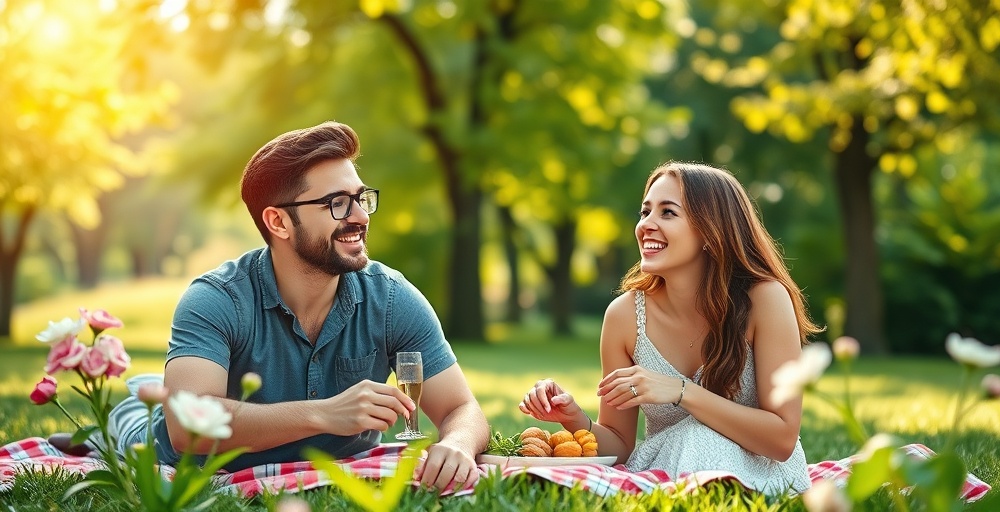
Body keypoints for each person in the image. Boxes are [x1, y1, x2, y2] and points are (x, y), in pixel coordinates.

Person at [53, 121, 489, 491]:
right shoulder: (216, 299)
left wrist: (456, 443)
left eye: (361, 198)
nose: (360, 215)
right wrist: (326, 412)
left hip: (312, 460)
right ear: (278, 221)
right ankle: (113, 417)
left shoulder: (391, 298)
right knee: (131, 419)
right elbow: (185, 428)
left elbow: (461, 409)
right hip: (182, 455)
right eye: (337, 203)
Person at [518, 162, 822, 495]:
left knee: (702, 436)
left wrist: (680, 391)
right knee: (693, 438)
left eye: (667, 213)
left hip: (760, 478)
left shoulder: (765, 299)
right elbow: (619, 446)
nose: (646, 225)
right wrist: (575, 418)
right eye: (645, 212)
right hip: (667, 474)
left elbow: (782, 439)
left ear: (710, 230)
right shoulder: (624, 317)